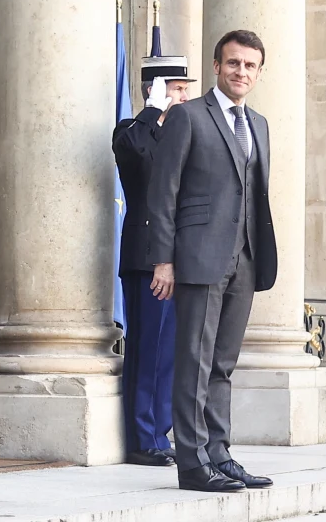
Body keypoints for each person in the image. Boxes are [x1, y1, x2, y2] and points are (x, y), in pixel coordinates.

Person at [147, 30, 277, 493]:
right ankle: (192, 463)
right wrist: (163, 260)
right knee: (194, 361)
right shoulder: (187, 117)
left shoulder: (258, 123)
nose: (241, 71)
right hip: (199, 256)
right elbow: (163, 194)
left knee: (222, 364)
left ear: (258, 73)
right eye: (233, 63)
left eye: (250, 65)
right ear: (217, 67)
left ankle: (219, 453)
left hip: (245, 257)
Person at [113, 56, 194, 467]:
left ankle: (160, 434)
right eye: (178, 88)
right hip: (147, 259)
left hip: (181, 260)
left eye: (183, 88)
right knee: (148, 349)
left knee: (170, 353)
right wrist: (151, 110)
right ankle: (143, 438)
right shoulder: (132, 130)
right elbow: (134, 155)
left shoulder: (186, 134)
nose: (185, 95)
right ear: (155, 89)